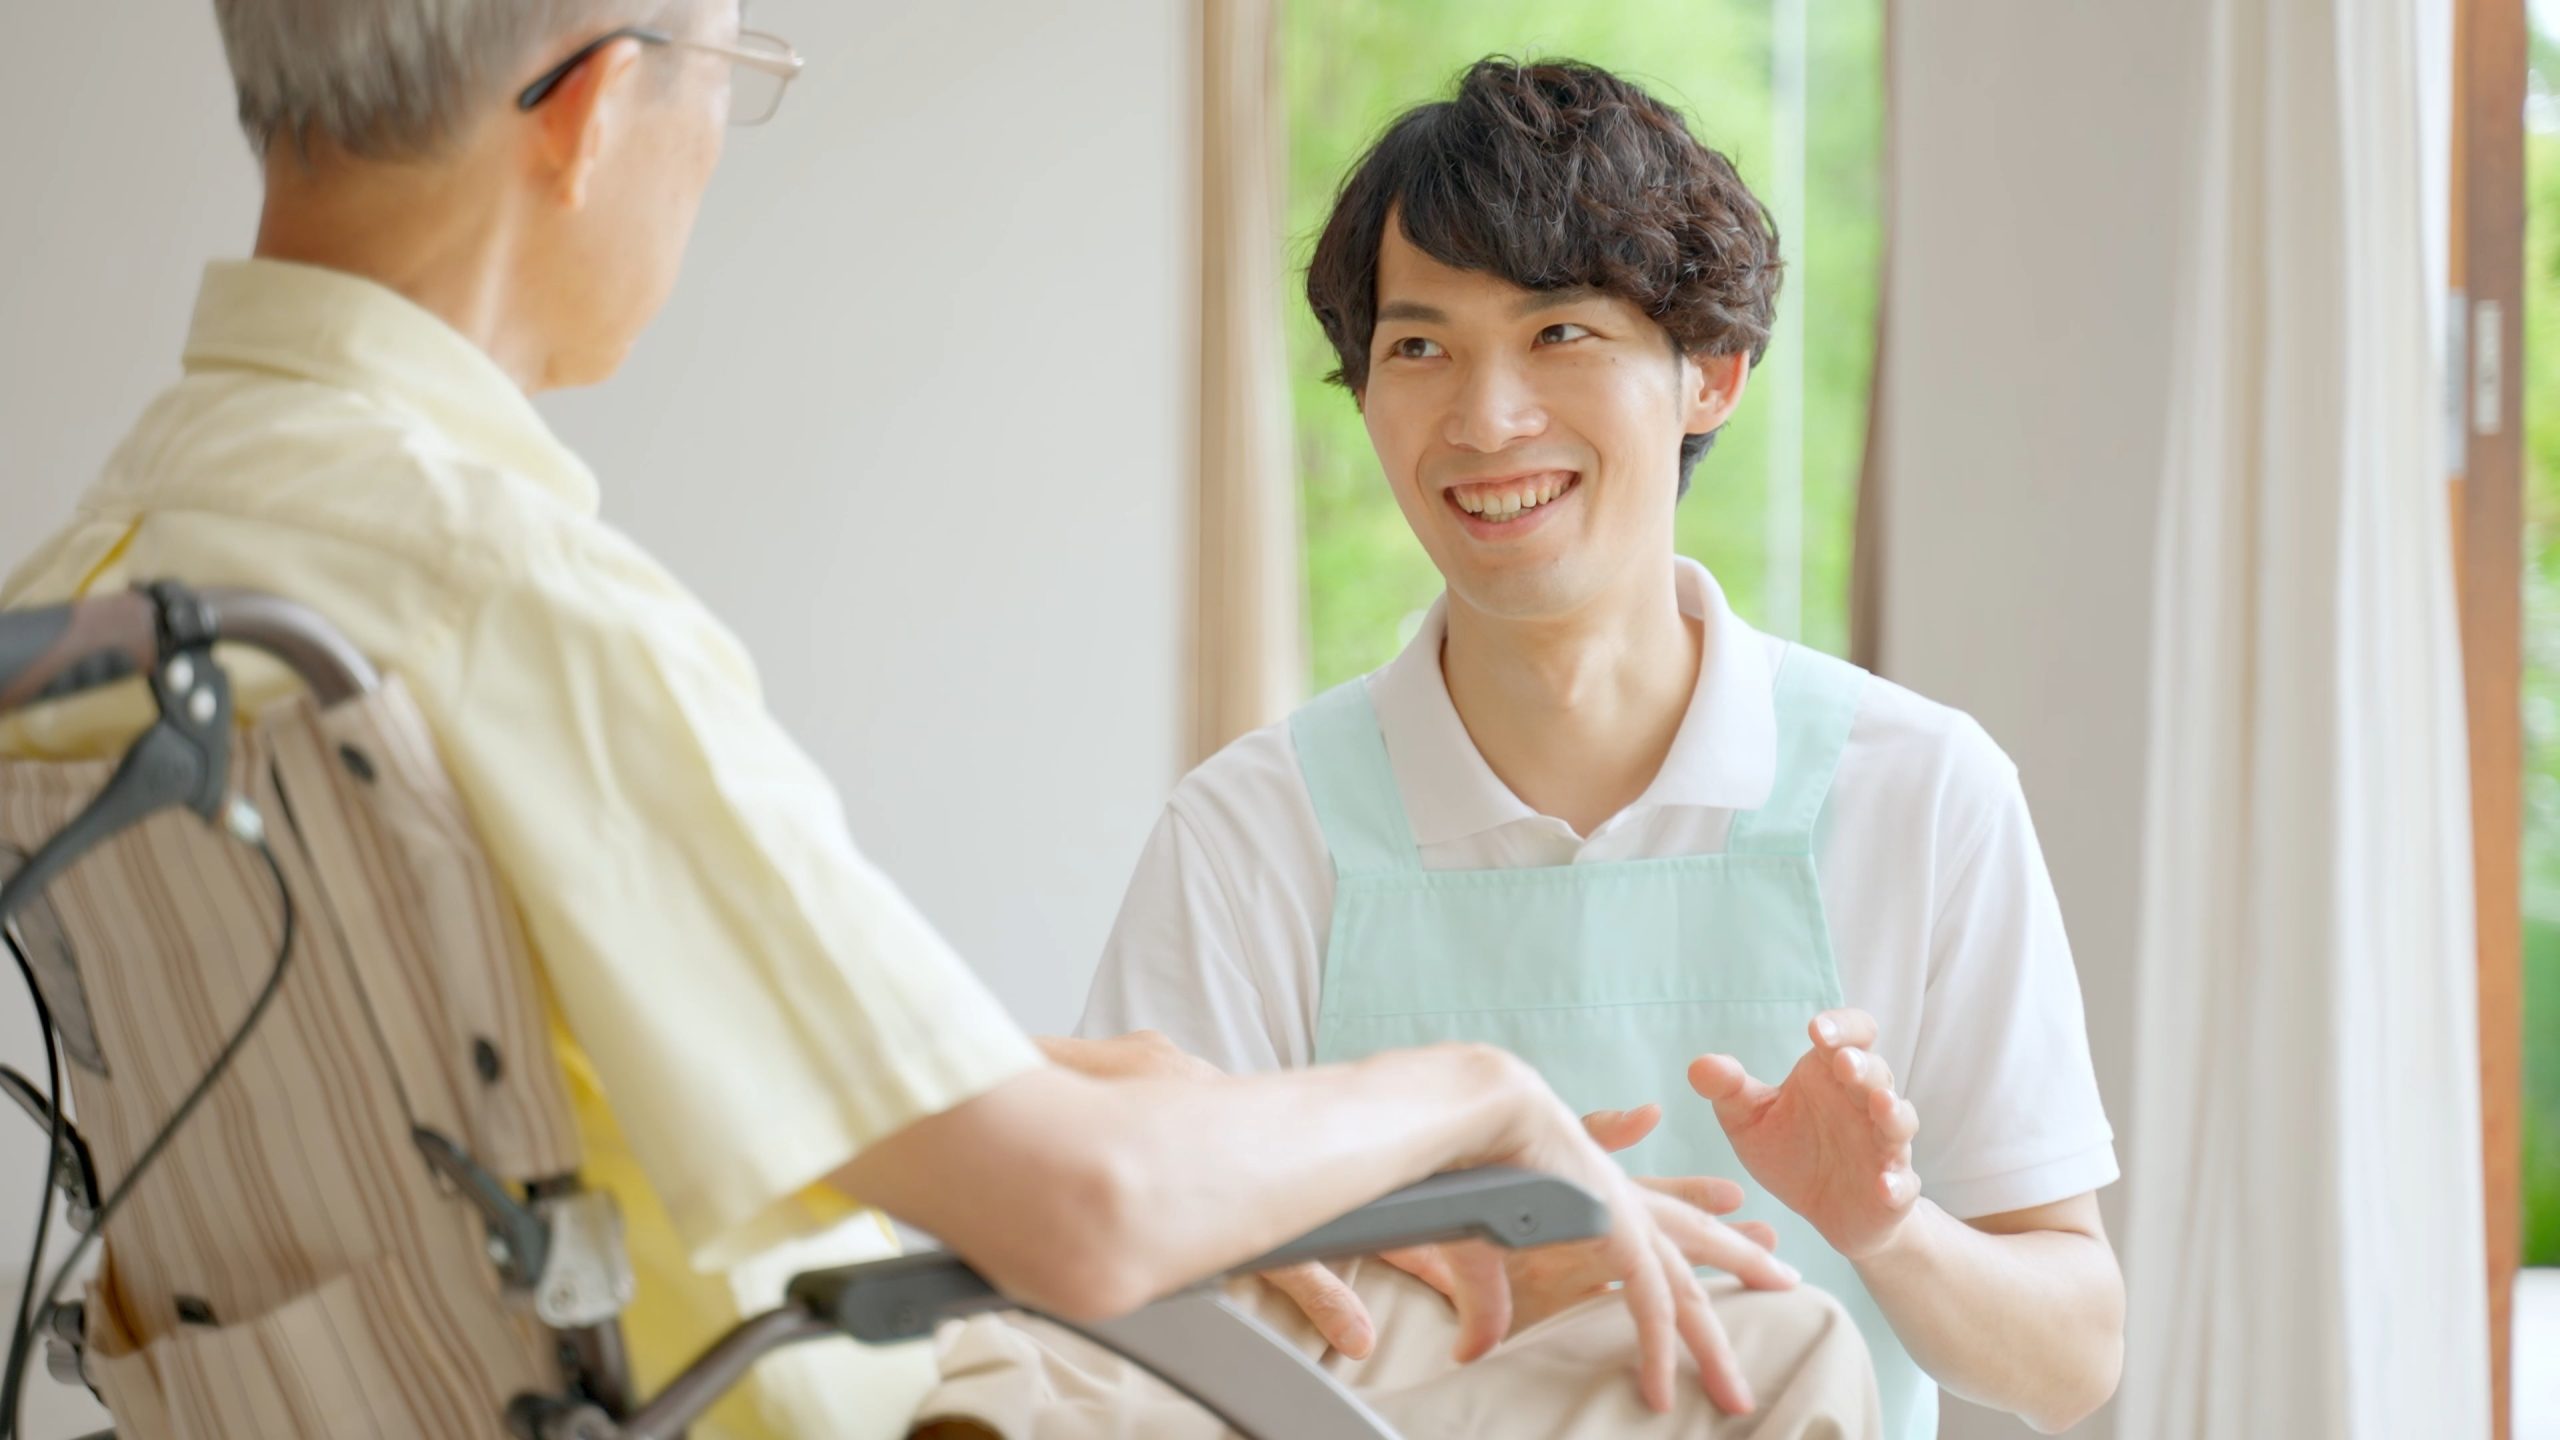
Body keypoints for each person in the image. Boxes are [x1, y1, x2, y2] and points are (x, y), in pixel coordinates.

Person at [0, 8, 1872, 1438]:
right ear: (592, 105)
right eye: (738, 79)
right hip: (868, 1392)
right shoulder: (498, 602)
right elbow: (1073, 1216)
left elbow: (679, 1083)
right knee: (1747, 1348)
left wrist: (1246, 1145)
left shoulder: (115, 574)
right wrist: (1470, 1096)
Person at [1075, 58, 2126, 1438]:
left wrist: (1886, 1227)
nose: (1483, 419)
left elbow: (2073, 1358)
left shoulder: (1922, 795)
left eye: (1560, 334)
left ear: (1712, 375)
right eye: (1418, 346)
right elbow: (1115, 1290)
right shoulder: (1255, 832)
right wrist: (1405, 1249)